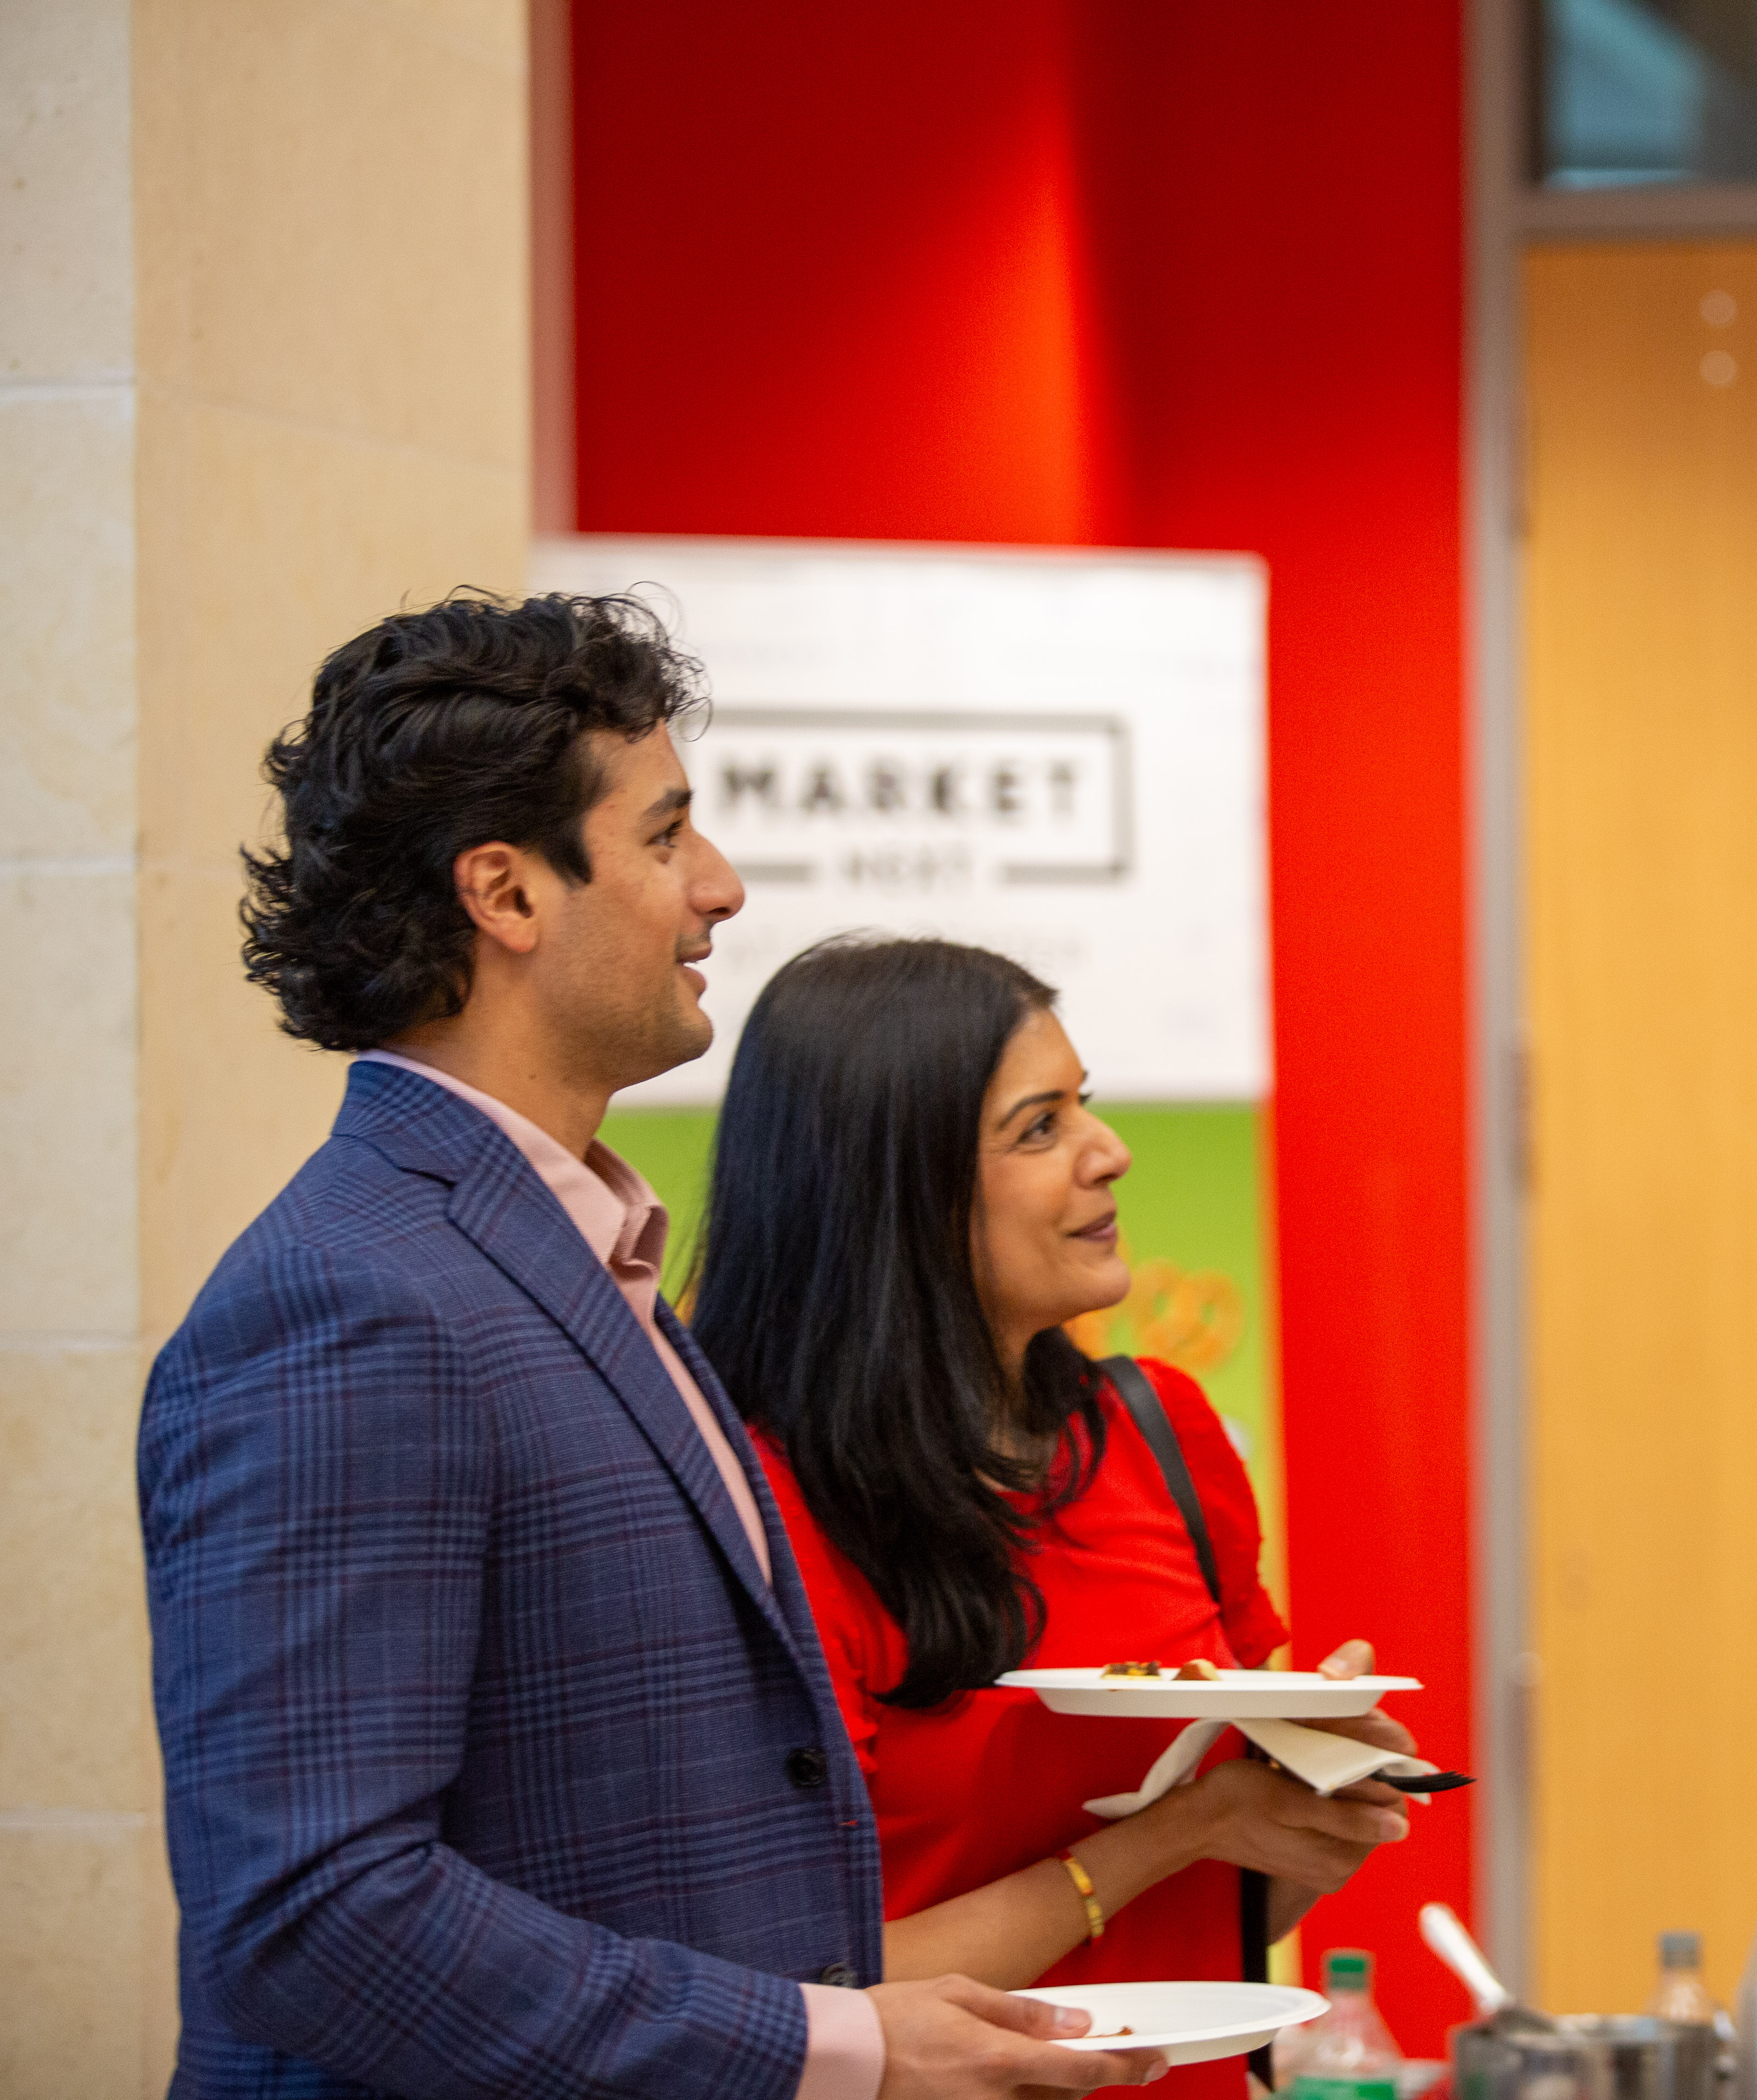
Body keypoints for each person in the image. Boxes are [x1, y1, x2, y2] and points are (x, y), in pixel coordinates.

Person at [141, 594, 1162, 2099]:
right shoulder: (352, 1303)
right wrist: (832, 2048)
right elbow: (314, 1913)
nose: (725, 888)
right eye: (670, 835)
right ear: (505, 893)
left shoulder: (568, 1251)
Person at [689, 936, 1417, 2100]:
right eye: (1041, 1128)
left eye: (1089, 1108)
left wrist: (1308, 1811)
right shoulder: (758, 1510)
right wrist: (1170, 1834)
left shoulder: (1158, 1432)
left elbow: (1226, 1919)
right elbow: (801, 2002)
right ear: (899, 1189)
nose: (1111, 1155)